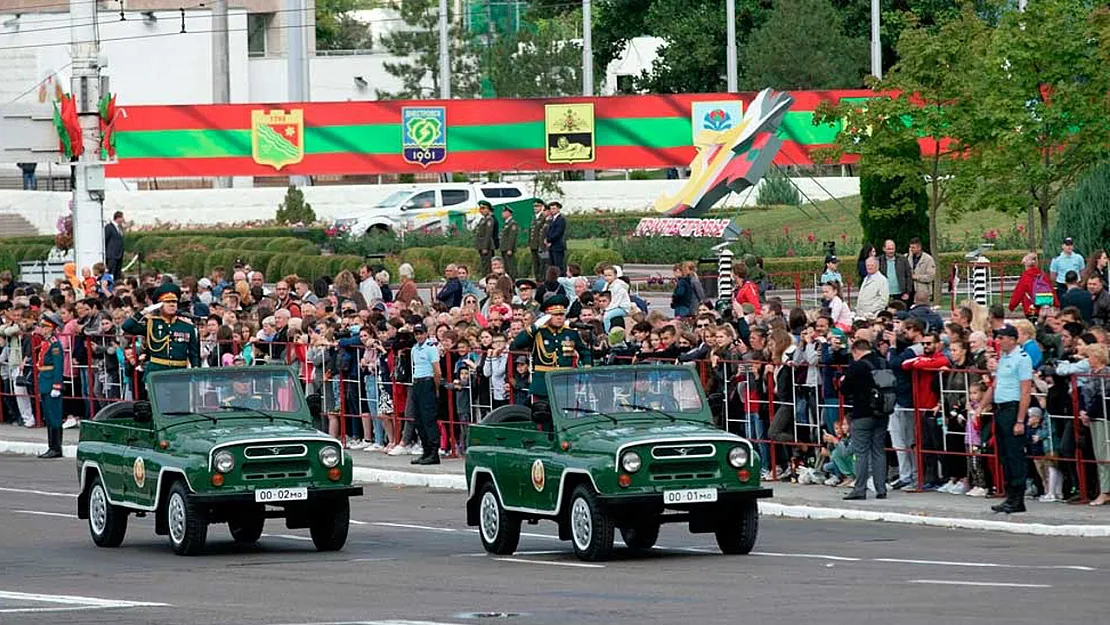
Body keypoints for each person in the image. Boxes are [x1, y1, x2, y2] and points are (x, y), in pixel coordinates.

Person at [973, 325, 1033, 514]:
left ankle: (1017, 498)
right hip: (1000, 409)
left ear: (1012, 339)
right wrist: (981, 407)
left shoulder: (1022, 359)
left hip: (1013, 408)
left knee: (1015, 455)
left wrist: (1020, 420)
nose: (998, 341)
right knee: (1005, 455)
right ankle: (1010, 495)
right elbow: (994, 386)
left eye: (1002, 338)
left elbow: (1025, 392)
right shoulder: (1005, 359)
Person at [510, 294, 590, 399]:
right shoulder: (539, 333)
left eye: (562, 314)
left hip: (565, 382)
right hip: (543, 383)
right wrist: (535, 326)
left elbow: (585, 353)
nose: (559, 317)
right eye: (555, 314)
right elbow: (518, 343)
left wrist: (587, 368)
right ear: (547, 316)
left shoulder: (570, 333)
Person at [839, 338, 890, 500]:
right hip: (882, 412)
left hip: (862, 414)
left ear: (856, 351)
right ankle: (881, 489)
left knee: (861, 452)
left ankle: (860, 489)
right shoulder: (882, 362)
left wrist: (843, 381)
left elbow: (845, 389)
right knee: (878, 451)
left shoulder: (857, 366)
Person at [121, 282, 200, 379]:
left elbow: (193, 354)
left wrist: (196, 371)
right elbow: (127, 326)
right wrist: (144, 312)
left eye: (174, 302)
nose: (172, 305)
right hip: (157, 373)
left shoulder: (187, 327)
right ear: (160, 305)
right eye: (167, 302)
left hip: (179, 374)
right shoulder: (152, 324)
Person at [409, 323, 443, 465]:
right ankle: (426, 450)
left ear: (426, 333)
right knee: (418, 419)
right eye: (416, 333)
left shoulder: (431, 348)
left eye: (421, 333)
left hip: (427, 382)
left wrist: (435, 389)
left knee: (429, 419)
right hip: (417, 382)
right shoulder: (414, 349)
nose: (419, 336)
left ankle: (434, 452)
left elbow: (437, 371)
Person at [36, 312, 66, 459]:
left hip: (51, 383)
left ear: (50, 328)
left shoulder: (55, 345)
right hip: (44, 382)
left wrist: (57, 386)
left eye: (43, 326)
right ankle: (51, 447)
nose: (41, 329)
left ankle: (56, 448)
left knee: (54, 417)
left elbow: (58, 366)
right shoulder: (46, 343)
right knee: (48, 417)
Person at [1008, 252, 1057, 317]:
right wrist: (1057, 305)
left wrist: (1011, 307)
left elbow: (1018, 293)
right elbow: (1052, 290)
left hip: (1031, 309)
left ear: (1026, 264)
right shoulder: (1043, 276)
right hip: (1045, 309)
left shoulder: (1025, 278)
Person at [908, 237, 936, 303]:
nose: (911, 249)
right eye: (910, 247)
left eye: (913, 247)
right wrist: (909, 257)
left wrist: (916, 277)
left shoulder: (928, 259)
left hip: (923, 292)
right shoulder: (908, 257)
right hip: (910, 292)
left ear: (919, 247)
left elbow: (930, 277)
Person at [475, 200, 498, 276]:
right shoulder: (483, 219)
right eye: (480, 208)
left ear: (488, 209)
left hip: (487, 246)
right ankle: (484, 278)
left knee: (487, 266)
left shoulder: (489, 219)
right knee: (484, 264)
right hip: (481, 245)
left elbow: (488, 234)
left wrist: (485, 247)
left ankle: (487, 279)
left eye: (483, 208)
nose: (481, 210)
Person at [529, 200, 549, 280]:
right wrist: (529, 243)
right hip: (533, 244)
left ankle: (541, 278)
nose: (535, 208)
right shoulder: (534, 218)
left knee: (541, 262)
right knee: (535, 262)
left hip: (540, 244)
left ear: (541, 207)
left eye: (537, 206)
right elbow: (531, 232)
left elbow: (543, 232)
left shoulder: (543, 217)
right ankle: (537, 277)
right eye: (534, 206)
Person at [545, 201, 567, 275]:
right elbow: (549, 231)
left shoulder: (561, 219)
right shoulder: (552, 219)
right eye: (551, 209)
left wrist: (549, 240)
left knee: (559, 266)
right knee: (552, 266)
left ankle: (561, 280)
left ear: (558, 209)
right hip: (552, 246)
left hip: (558, 246)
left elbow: (558, 233)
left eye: (554, 209)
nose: (552, 210)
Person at [104, 211, 125, 281]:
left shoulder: (120, 228)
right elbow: (105, 240)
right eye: (122, 217)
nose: (123, 219)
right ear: (118, 218)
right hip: (112, 256)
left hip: (119, 255)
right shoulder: (109, 227)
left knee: (117, 274)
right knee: (111, 273)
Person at [499, 206, 520, 278]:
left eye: (504, 212)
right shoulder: (506, 223)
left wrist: (510, 249)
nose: (502, 214)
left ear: (508, 213)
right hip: (504, 248)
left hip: (508, 248)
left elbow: (512, 237)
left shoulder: (512, 223)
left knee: (511, 266)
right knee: (506, 266)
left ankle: (514, 279)